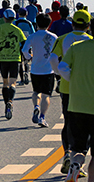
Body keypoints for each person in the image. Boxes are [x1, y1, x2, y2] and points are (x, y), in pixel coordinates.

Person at [50, 10, 92, 176]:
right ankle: (79, 162)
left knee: (69, 121)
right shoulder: (90, 41)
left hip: (67, 87)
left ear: (72, 22)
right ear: (88, 26)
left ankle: (68, 152)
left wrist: (61, 77)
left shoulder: (63, 39)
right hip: (87, 88)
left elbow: (53, 59)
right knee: (86, 126)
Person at [57, 37, 94, 182]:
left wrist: (73, 80)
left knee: (78, 148)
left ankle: (76, 165)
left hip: (77, 105)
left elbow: (61, 67)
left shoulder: (76, 47)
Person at [21, 13, 57, 127]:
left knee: (36, 92)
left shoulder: (32, 36)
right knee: (46, 95)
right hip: (48, 70)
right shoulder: (54, 37)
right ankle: (42, 117)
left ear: (37, 23)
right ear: (49, 23)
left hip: (35, 69)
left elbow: (24, 50)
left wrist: (29, 57)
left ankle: (36, 106)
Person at [0, 9, 26, 120]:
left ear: (4, 18)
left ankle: (7, 103)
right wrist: (24, 54)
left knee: (5, 82)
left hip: (3, 58)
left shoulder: (0, 27)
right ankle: (11, 101)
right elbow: (24, 42)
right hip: (15, 58)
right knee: (13, 83)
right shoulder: (17, 29)